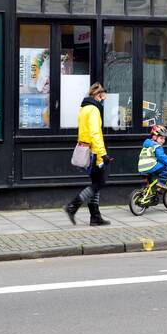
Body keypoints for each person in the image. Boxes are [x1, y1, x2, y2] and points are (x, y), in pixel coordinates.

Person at [65, 82, 111, 226]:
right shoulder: (93, 110)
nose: (104, 99)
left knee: (95, 183)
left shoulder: (84, 108)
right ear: (98, 95)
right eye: (103, 96)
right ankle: (73, 206)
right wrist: (102, 154)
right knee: (100, 183)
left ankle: (95, 216)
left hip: (86, 148)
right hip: (94, 152)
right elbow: (95, 133)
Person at [138, 124, 167, 200]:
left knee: (150, 182)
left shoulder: (147, 145)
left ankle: (148, 193)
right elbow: (162, 157)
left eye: (164, 138)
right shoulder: (157, 146)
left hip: (141, 167)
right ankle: (162, 183)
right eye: (161, 138)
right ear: (154, 137)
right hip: (150, 166)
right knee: (166, 167)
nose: (163, 141)